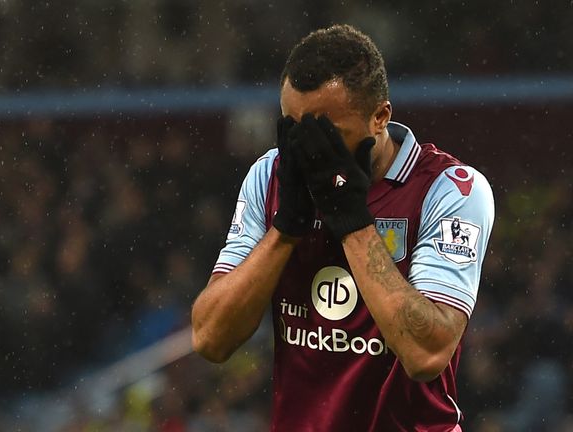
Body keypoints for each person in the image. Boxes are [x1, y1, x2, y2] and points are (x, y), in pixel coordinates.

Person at [191, 24, 495, 431]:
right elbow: (211, 338)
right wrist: (285, 229)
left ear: (380, 116)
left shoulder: (450, 189)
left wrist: (352, 221)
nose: (310, 151)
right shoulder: (270, 177)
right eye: (295, 129)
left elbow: (427, 355)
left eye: (328, 133)